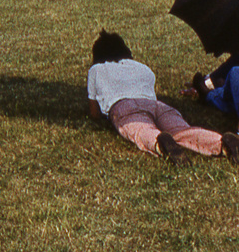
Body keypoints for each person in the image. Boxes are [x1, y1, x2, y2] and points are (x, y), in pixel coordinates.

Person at [86, 30, 239, 164]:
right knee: (182, 129)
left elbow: (94, 113)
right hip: (156, 105)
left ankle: (159, 143)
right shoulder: (143, 68)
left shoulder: (96, 70)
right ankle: (221, 143)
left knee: (142, 130)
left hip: (124, 107)